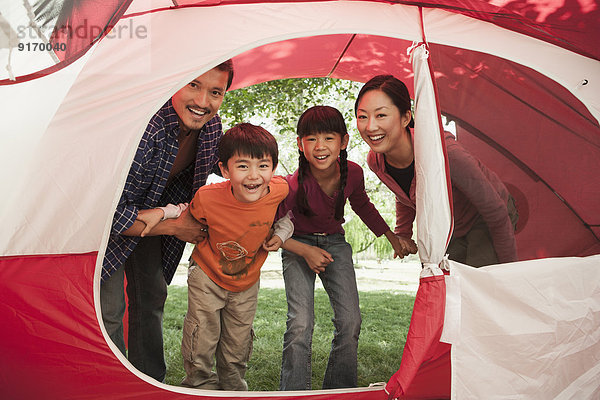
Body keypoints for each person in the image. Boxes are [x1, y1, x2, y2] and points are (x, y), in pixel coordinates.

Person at [100, 60, 234, 383]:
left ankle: (150, 380)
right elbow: (110, 214)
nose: (203, 101)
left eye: (215, 92)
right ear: (174, 80)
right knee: (111, 308)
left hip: (152, 217)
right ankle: (117, 384)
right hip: (109, 224)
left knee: (152, 295)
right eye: (193, 85)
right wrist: (174, 225)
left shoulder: (211, 128)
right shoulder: (151, 125)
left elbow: (231, 170)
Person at [277, 105, 403, 390]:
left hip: (335, 244)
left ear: (343, 141)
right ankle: (294, 394)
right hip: (297, 245)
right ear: (300, 144)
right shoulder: (292, 186)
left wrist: (392, 237)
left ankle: (339, 390)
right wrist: (305, 251)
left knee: (350, 321)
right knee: (300, 323)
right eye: (311, 139)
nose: (320, 146)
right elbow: (272, 232)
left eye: (328, 138)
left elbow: (363, 206)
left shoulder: (354, 174)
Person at [354, 74, 518, 267]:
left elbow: (494, 209)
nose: (370, 126)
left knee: (480, 286)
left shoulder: (444, 153)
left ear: (406, 117)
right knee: (441, 281)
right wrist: (403, 233)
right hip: (450, 226)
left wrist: (508, 271)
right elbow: (405, 195)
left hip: (485, 216)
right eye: (362, 116)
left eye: (381, 115)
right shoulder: (376, 160)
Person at [179, 123, 291, 390]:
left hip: (246, 281)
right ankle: (199, 385)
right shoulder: (207, 198)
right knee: (202, 335)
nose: (254, 176)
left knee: (238, 341)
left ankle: (232, 387)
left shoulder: (279, 190)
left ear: (273, 169)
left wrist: (282, 235)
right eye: (242, 166)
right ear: (224, 169)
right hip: (207, 274)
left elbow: (287, 218)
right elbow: (189, 224)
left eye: (263, 166)